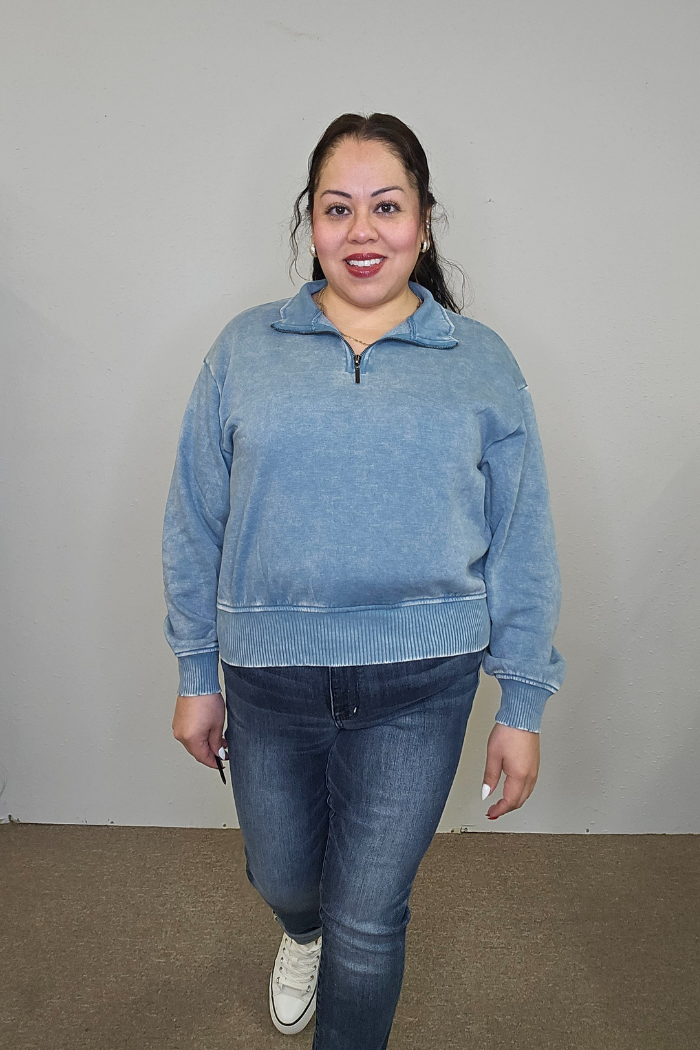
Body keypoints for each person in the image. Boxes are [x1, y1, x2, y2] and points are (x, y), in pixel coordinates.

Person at [163, 112, 566, 1050]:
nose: (363, 231)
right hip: (268, 681)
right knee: (285, 876)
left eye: (387, 207)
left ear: (424, 223)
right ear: (312, 223)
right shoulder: (243, 350)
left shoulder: (483, 362)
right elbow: (194, 517)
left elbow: (522, 538)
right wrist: (194, 675)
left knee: (371, 915)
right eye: (338, 209)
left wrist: (524, 704)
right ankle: (296, 933)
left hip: (422, 685)